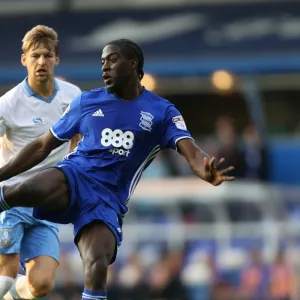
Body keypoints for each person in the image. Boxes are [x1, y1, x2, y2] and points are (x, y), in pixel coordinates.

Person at [0, 39, 234, 300]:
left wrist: (206, 172)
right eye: (102, 62)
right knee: (21, 190)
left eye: (111, 60)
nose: (104, 68)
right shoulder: (87, 101)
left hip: (107, 201)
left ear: (132, 64)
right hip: (74, 177)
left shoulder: (162, 112)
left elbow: (191, 151)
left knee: (96, 263)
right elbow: (43, 145)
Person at [0, 25, 81, 299]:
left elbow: (79, 135)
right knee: (5, 273)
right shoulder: (8, 104)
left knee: (42, 285)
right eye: (34, 56)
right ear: (24, 59)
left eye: (47, 55)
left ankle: (12, 294)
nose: (41, 62)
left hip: (45, 202)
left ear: (56, 59)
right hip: (10, 198)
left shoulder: (73, 96)